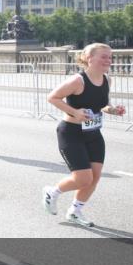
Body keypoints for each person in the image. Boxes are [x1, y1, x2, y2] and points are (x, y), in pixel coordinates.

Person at [42, 43, 126, 227]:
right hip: (71, 133)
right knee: (83, 178)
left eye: (110, 57)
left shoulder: (107, 80)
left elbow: (100, 104)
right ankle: (52, 192)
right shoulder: (78, 81)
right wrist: (75, 112)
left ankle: (75, 211)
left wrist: (113, 109)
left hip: (94, 134)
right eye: (104, 56)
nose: (108, 60)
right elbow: (52, 97)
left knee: (94, 177)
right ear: (89, 58)